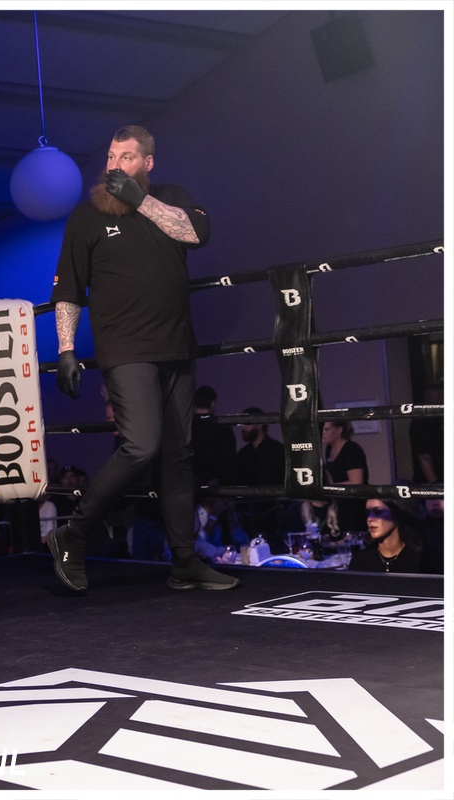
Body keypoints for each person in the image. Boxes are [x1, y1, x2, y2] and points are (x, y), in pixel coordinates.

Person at [48, 124, 237, 593]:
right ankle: (74, 532)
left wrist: (140, 200)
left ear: (147, 163)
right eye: (111, 157)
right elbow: (69, 288)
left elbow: (196, 232)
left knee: (180, 454)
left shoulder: (171, 197)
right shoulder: (87, 216)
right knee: (141, 446)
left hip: (176, 345)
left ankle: (184, 561)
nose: (114, 166)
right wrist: (66, 350)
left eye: (126, 158)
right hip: (125, 348)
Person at [232, 406, 286, 541]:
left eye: (247, 423)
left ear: (260, 424)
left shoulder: (277, 450)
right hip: (248, 516)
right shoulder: (243, 454)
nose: (243, 428)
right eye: (242, 424)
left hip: (274, 514)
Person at [348, 498, 424, 574]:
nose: (370, 519)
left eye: (378, 512)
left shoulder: (421, 560)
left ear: (396, 514)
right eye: (368, 513)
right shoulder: (360, 561)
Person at [321, 419, 368, 534]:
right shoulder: (329, 449)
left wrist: (327, 487)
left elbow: (356, 482)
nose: (322, 433)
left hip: (353, 506)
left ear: (339, 430)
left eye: (326, 429)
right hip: (338, 504)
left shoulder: (351, 449)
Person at [190, 385, 236, 487]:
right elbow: (229, 462)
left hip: (188, 484)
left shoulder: (187, 427)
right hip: (216, 486)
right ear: (213, 403)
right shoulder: (224, 430)